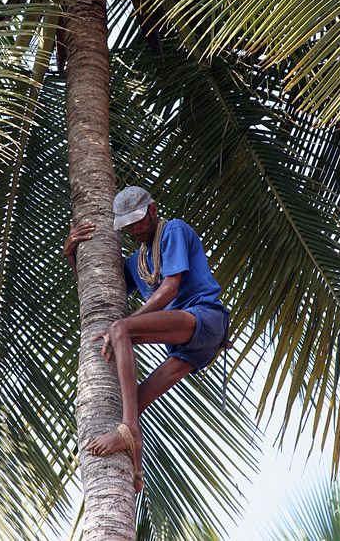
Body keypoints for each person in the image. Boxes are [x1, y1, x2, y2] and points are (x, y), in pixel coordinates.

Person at [63, 186, 230, 493]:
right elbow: (97, 288)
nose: (135, 229)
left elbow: (170, 288)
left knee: (121, 331)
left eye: (139, 221)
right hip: (188, 347)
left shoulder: (173, 231)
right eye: (128, 225)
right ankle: (136, 467)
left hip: (204, 318)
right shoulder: (136, 263)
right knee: (133, 402)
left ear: (153, 210)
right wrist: (71, 252)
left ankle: (127, 431)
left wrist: (125, 324)